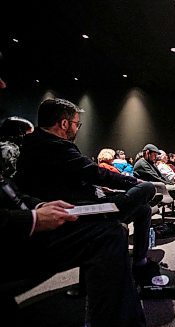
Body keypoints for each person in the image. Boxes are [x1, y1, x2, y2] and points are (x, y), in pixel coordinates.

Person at [14, 98, 165, 294]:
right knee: (147, 189)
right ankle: (136, 257)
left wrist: (102, 190)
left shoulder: (33, 143)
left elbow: (75, 178)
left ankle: (140, 262)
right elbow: (95, 173)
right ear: (64, 124)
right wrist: (134, 182)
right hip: (78, 211)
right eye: (77, 124)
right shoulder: (55, 145)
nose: (77, 129)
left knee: (143, 209)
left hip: (79, 202)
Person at [0, 143, 146, 327]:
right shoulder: (60, 151)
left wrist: (40, 206)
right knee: (109, 233)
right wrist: (32, 219)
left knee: (113, 228)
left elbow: (15, 197)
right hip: (13, 241)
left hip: (26, 227)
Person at [134, 144, 175, 227]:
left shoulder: (149, 163)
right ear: (147, 153)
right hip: (154, 188)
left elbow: (160, 177)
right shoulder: (142, 163)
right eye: (154, 155)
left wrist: (172, 183)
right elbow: (156, 178)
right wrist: (172, 184)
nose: (155, 157)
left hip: (159, 185)